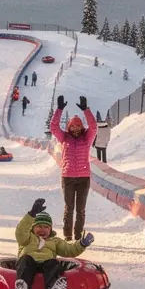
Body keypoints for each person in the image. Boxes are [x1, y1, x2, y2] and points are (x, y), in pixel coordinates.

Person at [14, 200, 93, 289]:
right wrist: (31, 214)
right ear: (32, 228)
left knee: (53, 263)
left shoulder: (55, 241)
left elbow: (69, 250)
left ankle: (52, 288)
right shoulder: (27, 238)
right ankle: (23, 286)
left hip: (45, 264)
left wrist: (81, 244)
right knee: (25, 260)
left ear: (50, 229)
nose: (42, 229)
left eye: (46, 227)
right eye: (39, 226)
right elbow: (20, 232)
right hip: (29, 262)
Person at [50, 95, 97, 241]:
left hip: (83, 178)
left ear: (81, 127)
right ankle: (68, 235)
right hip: (68, 177)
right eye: (73, 125)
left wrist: (86, 110)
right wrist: (59, 109)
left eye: (78, 125)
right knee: (69, 208)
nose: (75, 127)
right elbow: (53, 127)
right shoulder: (64, 138)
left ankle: (78, 235)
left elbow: (94, 127)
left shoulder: (87, 138)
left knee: (80, 209)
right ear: (69, 127)